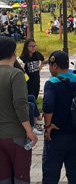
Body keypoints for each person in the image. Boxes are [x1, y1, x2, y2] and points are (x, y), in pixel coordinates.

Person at [42, 51, 76, 184]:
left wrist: (47, 125)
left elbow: (48, 105)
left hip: (56, 134)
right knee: (75, 176)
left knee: (51, 175)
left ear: (54, 66)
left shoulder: (52, 83)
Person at [0, 36, 38, 184]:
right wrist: (29, 130)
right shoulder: (16, 74)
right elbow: (20, 103)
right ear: (13, 53)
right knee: (20, 176)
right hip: (15, 135)